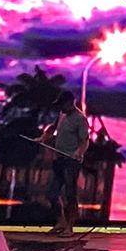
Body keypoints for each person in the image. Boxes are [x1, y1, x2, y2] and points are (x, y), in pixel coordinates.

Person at [40, 92, 90, 236]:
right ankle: (61, 221)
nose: (60, 107)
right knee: (52, 193)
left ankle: (69, 227)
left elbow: (85, 140)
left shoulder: (80, 119)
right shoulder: (62, 115)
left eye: (62, 104)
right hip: (59, 159)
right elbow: (52, 128)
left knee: (70, 194)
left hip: (71, 161)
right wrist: (43, 137)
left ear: (70, 103)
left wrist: (78, 152)